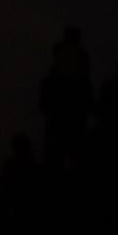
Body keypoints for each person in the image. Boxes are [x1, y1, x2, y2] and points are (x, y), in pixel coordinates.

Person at [40, 26, 92, 173]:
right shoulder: (80, 61)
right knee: (73, 152)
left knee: (57, 153)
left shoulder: (58, 65)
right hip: (73, 112)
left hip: (61, 112)